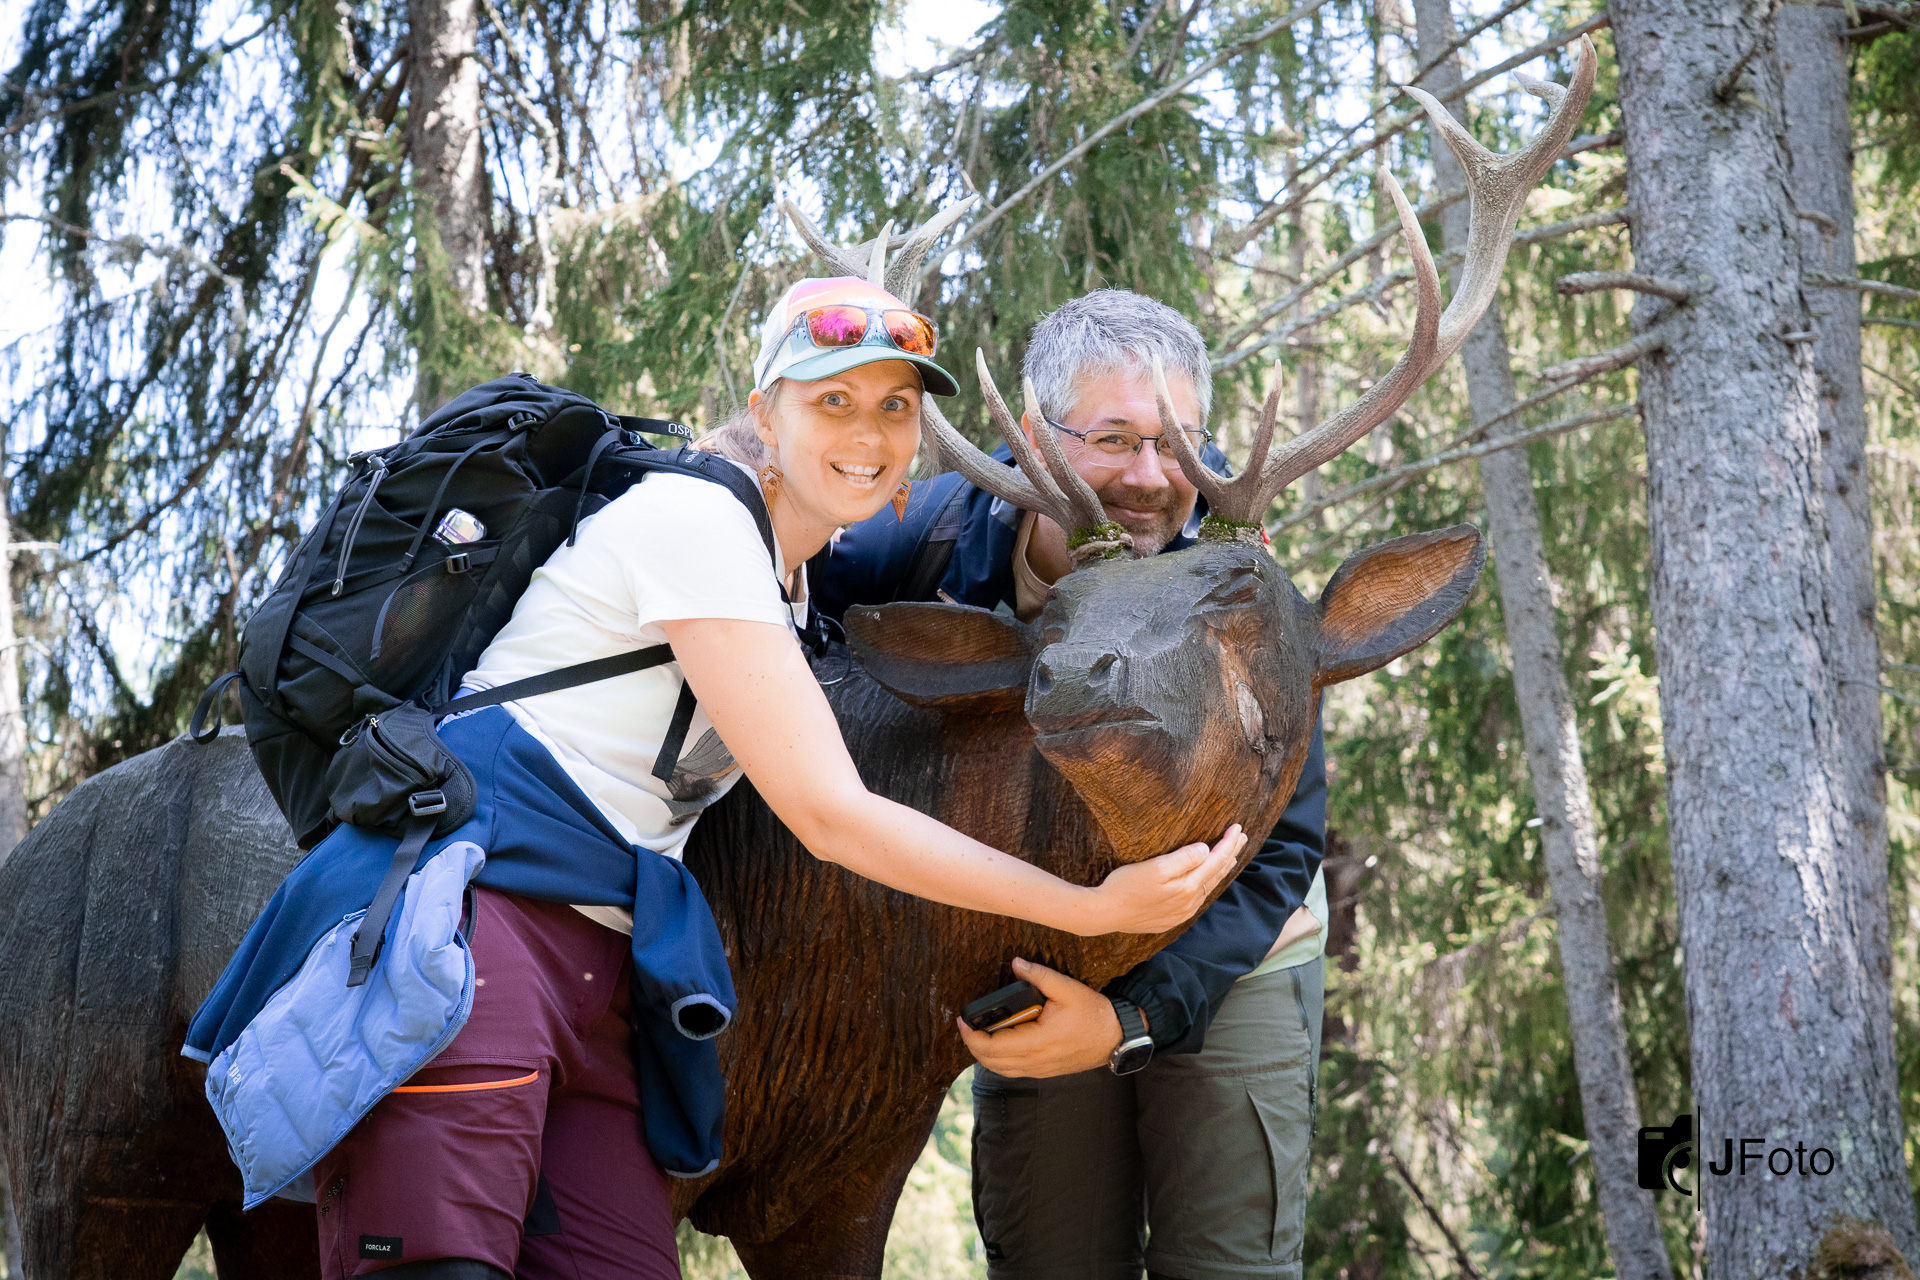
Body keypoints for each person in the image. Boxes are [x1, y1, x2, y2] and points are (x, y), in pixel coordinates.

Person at [185, 276, 1244, 1280]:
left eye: (894, 407)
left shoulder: (789, 580)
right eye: (832, 401)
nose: (868, 433)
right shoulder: (696, 525)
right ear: (764, 412)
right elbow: (832, 815)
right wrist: (1088, 908)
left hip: (603, 975)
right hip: (482, 932)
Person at [813, 288, 1330, 1280]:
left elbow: (1286, 843)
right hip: (1038, 953)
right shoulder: (910, 545)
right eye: (1114, 439)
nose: (1151, 476)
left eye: (1177, 443)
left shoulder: (1233, 578)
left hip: (1229, 951)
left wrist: (1133, 1020)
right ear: (1037, 439)